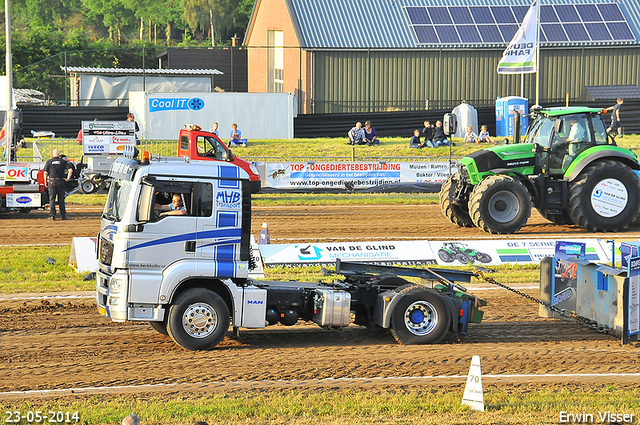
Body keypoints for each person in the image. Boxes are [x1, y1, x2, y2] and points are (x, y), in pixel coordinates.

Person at [42, 148, 72, 221]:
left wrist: (45, 182)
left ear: (52, 154)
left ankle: (52, 216)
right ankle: (63, 216)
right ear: (59, 155)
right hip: (61, 181)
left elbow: (45, 173)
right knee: (61, 199)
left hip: (52, 181)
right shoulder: (63, 161)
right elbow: (70, 170)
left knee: (52, 199)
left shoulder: (49, 162)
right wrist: (67, 179)